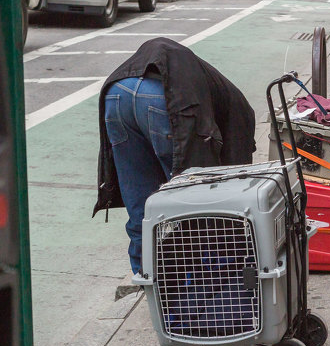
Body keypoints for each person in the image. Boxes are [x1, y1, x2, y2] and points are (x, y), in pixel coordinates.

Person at [94, 38, 257, 278]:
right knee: (191, 206)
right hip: (161, 100)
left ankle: (145, 279)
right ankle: (190, 289)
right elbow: (230, 178)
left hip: (117, 93)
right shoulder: (240, 113)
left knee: (141, 205)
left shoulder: (220, 91)